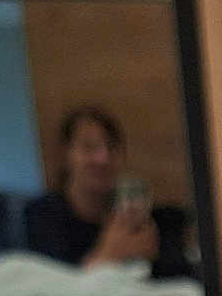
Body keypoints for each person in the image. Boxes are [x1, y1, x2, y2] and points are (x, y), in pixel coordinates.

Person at [24, 106, 160, 269]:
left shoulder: (133, 214)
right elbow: (52, 288)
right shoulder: (42, 216)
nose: (103, 158)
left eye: (111, 147)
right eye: (88, 148)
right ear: (66, 155)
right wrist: (108, 254)